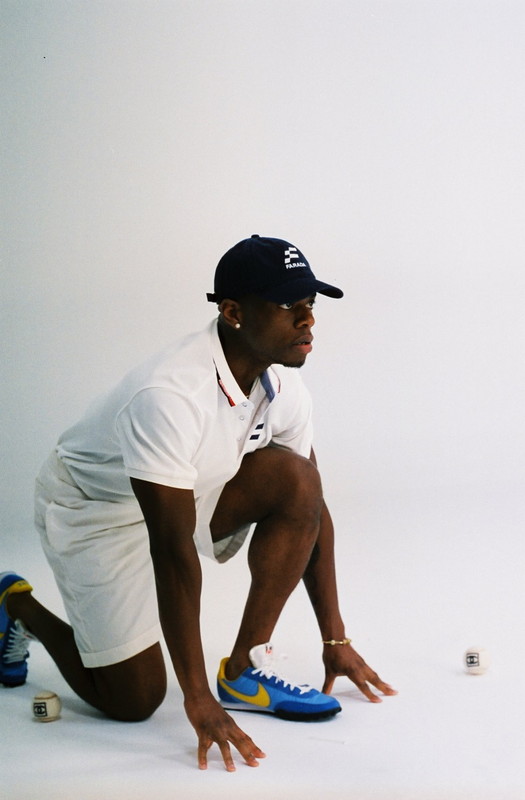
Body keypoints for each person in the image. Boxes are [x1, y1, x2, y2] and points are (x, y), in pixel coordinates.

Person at [1, 235, 396, 771]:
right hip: (94, 507)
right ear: (233, 312)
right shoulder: (168, 395)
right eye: (287, 305)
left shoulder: (283, 387)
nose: (307, 320)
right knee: (133, 700)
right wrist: (196, 698)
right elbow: (172, 551)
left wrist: (335, 637)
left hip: (187, 486)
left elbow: (312, 509)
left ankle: (243, 671)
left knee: (299, 481)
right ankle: (16, 606)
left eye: (310, 304)